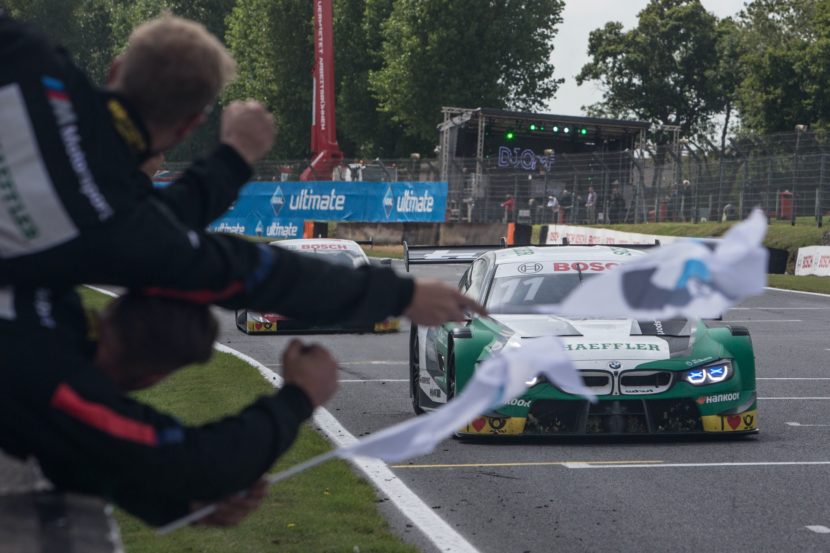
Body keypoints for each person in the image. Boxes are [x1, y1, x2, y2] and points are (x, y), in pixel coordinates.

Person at [0, 13, 483, 328]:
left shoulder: (30, 57)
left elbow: (162, 219)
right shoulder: (116, 220)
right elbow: (253, 273)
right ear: (190, 125)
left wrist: (229, 163)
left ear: (114, 69)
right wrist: (400, 294)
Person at [0, 287, 339, 527]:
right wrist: (298, 398)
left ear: (116, 306)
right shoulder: (57, 379)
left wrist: (187, 506)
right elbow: (192, 460)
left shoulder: (47, 318)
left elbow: (80, 458)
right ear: (150, 378)